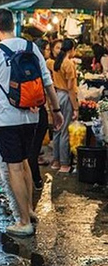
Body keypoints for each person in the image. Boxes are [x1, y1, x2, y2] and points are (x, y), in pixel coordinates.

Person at [0, 9, 64, 238]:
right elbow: (47, 82)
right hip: (32, 116)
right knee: (26, 161)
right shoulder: (31, 47)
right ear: (13, 24)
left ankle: (24, 220)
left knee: (14, 166)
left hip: (7, 119)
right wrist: (56, 110)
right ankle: (30, 210)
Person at [47, 38, 79, 173]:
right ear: (71, 49)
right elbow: (71, 89)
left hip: (57, 96)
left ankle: (56, 161)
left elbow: (47, 63)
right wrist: (76, 108)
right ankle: (65, 164)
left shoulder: (54, 63)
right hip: (66, 97)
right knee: (65, 130)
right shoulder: (69, 64)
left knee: (57, 129)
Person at [27, 39, 51, 189]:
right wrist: (54, 110)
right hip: (38, 110)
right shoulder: (41, 67)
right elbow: (47, 86)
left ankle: (30, 180)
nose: (48, 51)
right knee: (33, 150)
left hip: (22, 112)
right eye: (47, 49)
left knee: (29, 149)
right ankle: (35, 180)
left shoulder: (25, 67)